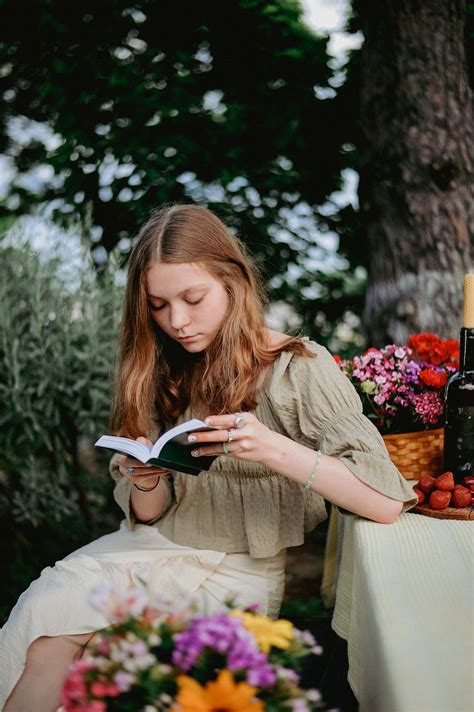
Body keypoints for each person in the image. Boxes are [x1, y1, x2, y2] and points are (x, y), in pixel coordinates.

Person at [0, 204, 417, 711]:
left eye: (193, 299)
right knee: (42, 625)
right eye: (157, 305)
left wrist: (274, 449)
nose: (176, 321)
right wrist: (145, 477)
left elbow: (385, 501)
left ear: (233, 283)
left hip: (237, 573)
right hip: (149, 547)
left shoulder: (297, 368)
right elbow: (147, 514)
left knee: (97, 662)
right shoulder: (159, 368)